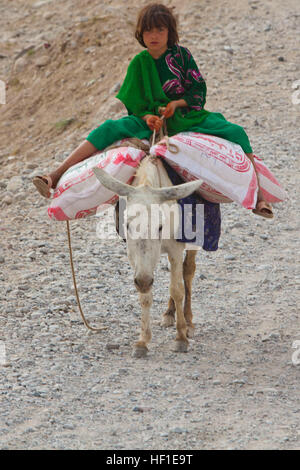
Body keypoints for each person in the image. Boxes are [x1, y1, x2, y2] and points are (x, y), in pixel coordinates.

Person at [33, 3, 273, 218]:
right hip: (146, 120)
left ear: (170, 32)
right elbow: (135, 104)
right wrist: (148, 117)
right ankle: (54, 175)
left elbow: (197, 91)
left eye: (160, 30)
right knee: (108, 128)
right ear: (141, 33)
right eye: (148, 30)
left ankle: (259, 197)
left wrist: (175, 105)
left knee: (236, 132)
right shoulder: (139, 62)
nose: (154, 35)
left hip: (185, 117)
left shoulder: (182, 56)